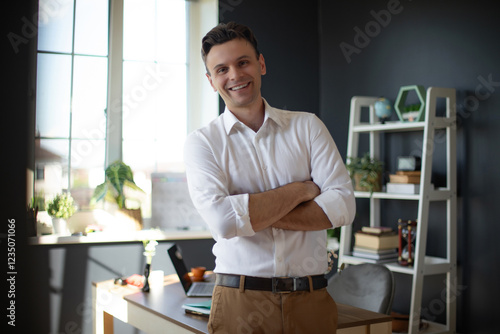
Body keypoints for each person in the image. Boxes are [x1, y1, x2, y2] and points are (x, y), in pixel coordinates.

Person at [184, 22, 356, 334]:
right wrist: (302, 189)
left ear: (260, 64)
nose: (235, 75)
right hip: (240, 302)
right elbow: (223, 222)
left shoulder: (307, 127)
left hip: (311, 300)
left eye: (243, 62)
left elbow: (343, 206)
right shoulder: (202, 143)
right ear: (211, 81)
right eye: (222, 69)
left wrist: (249, 214)